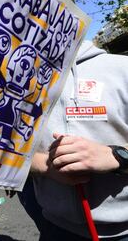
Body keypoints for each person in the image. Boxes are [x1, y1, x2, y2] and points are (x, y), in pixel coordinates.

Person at [31, 40, 128, 240]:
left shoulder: (121, 68)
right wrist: (45, 166)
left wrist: (117, 156)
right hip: (55, 228)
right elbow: (5, 155)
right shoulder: (21, 85)